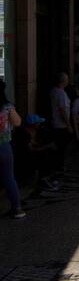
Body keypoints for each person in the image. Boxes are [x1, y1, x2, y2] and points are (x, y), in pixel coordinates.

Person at [12, 114, 59, 200]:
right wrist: (47, 146)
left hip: (26, 155)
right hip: (22, 159)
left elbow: (34, 144)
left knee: (47, 152)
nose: (39, 124)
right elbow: (31, 150)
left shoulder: (30, 132)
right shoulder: (24, 134)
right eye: (38, 123)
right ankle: (42, 180)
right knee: (43, 155)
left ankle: (46, 177)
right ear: (33, 124)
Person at [0, 81, 25, 217]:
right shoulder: (8, 107)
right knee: (9, 178)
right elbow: (18, 122)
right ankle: (17, 209)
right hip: (4, 147)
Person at [49, 71, 72, 176]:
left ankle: (57, 166)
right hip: (60, 125)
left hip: (56, 123)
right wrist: (68, 125)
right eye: (67, 79)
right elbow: (62, 110)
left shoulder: (54, 91)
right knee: (61, 147)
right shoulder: (60, 93)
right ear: (63, 81)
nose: (68, 81)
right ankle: (60, 166)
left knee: (58, 147)